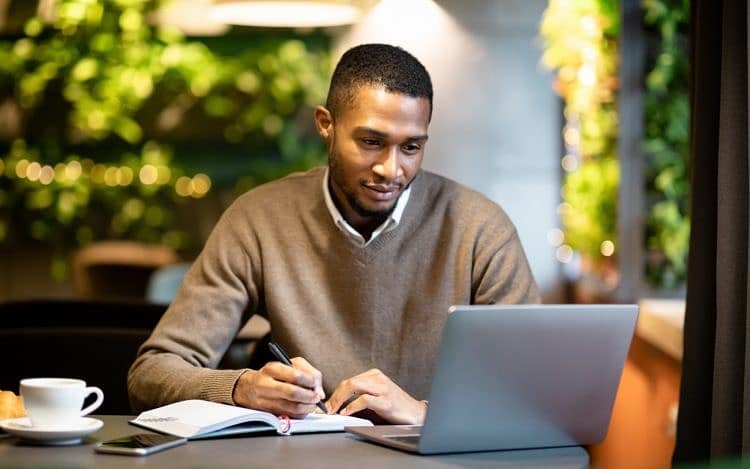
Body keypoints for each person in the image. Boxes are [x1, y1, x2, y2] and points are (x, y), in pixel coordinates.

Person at [128, 43, 540, 424]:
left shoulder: (481, 227)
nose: (391, 169)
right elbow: (150, 374)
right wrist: (240, 389)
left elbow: (536, 388)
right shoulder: (259, 219)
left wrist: (421, 412)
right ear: (326, 124)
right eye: (371, 142)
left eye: (411, 148)